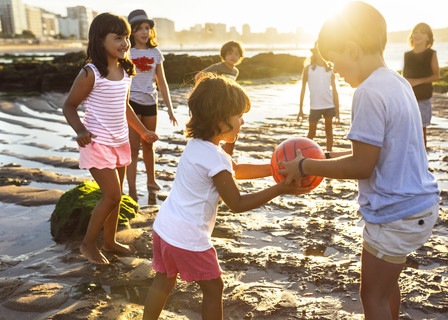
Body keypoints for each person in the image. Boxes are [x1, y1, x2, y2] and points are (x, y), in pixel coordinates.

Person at [279, 2, 440, 319]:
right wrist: (325, 157)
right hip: (421, 205)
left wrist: (305, 166)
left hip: (394, 214)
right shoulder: (397, 83)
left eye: (333, 60)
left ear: (351, 47)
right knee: (387, 286)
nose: (333, 70)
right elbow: (375, 153)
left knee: (372, 297)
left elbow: (361, 167)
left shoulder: (367, 92)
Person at [142, 74, 304, 320]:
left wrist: (274, 168)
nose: (243, 122)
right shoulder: (214, 157)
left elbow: (234, 170)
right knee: (214, 288)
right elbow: (237, 204)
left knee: (163, 281)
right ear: (219, 119)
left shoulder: (199, 144)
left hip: (165, 229)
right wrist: (279, 188)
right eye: (239, 116)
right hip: (188, 238)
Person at [62, 13, 159, 265]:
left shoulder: (126, 69)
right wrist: (80, 131)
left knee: (117, 197)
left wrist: (141, 131)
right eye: (118, 37)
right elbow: (69, 106)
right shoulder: (91, 72)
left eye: (126, 37)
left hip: (120, 142)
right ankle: (88, 244)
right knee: (112, 196)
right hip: (97, 143)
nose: (124, 42)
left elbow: (125, 106)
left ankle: (109, 241)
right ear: (100, 40)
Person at [126, 9, 178, 201]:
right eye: (139, 28)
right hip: (131, 102)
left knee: (149, 143)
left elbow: (162, 82)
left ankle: (151, 180)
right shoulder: (126, 51)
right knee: (133, 148)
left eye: (147, 28)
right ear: (132, 31)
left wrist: (170, 109)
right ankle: (131, 188)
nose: (144, 32)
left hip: (150, 102)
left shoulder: (155, 52)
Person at [194, 41, 245, 156]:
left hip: (231, 105)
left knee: (234, 131)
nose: (233, 56)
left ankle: (228, 156)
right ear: (224, 54)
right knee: (216, 131)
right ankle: (211, 153)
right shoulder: (218, 67)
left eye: (236, 54)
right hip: (219, 106)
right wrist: (204, 94)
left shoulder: (235, 71)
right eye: (230, 53)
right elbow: (198, 76)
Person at [403, 22, 440, 148]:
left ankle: (422, 162)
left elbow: (436, 76)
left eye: (422, 32)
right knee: (407, 130)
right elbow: (404, 77)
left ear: (428, 38)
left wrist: (417, 81)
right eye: (415, 32)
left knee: (421, 131)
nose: (417, 35)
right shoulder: (407, 55)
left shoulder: (431, 54)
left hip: (423, 97)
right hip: (408, 97)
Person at [297, 45, 340, 151]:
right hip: (314, 106)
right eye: (318, 51)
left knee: (329, 132)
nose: (320, 54)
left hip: (329, 105)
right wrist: (300, 109)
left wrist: (338, 110)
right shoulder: (308, 69)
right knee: (311, 133)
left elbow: (335, 91)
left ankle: (329, 154)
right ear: (315, 53)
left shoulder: (330, 69)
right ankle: (304, 153)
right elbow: (303, 90)